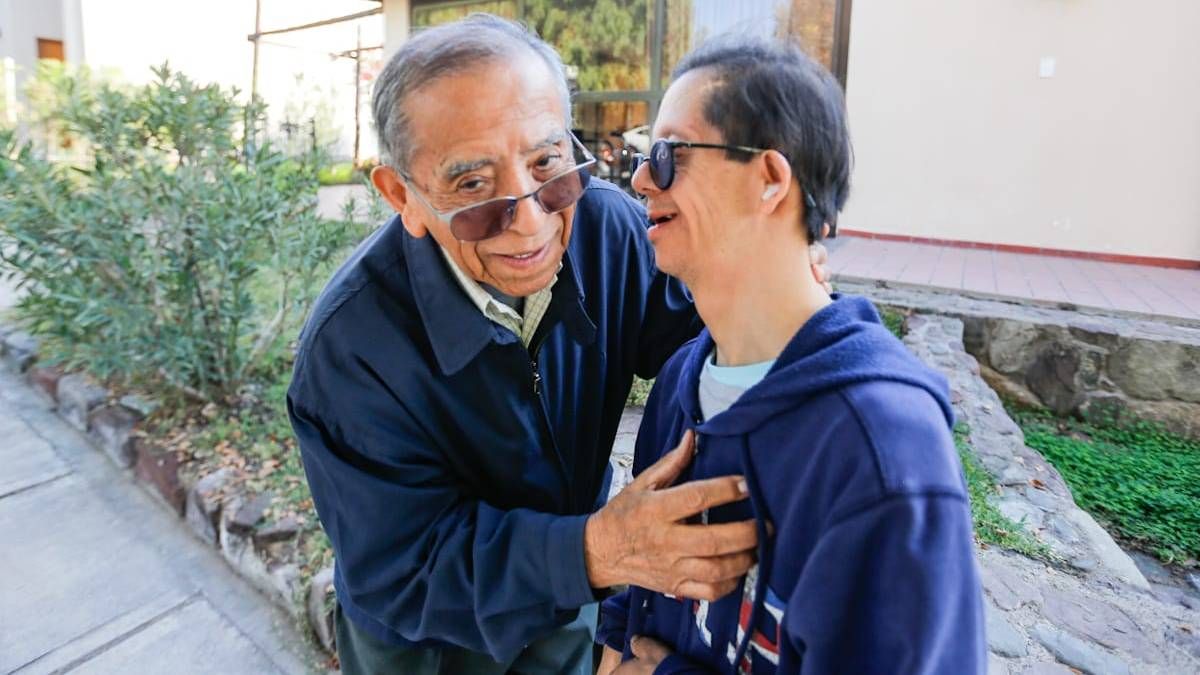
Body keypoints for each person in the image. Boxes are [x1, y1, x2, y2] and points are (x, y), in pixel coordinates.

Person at [286, 15, 832, 675]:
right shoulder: (348, 349)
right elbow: (405, 572)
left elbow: (718, 339)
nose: (532, 222)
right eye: (473, 188)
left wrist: (783, 291)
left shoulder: (608, 232)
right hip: (425, 642)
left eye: (548, 164)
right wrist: (599, 550)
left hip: (569, 593)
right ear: (402, 194)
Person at [596, 36, 985, 674]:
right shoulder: (677, 387)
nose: (641, 178)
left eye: (668, 156)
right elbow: (633, 614)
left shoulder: (886, 455)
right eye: (644, 156)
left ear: (770, 180)